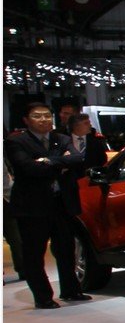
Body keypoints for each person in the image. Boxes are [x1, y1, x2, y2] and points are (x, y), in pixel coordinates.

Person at [3, 103, 91, 309]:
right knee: (34, 253)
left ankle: (71, 290)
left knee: (66, 249)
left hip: (61, 203)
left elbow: (78, 159)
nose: (43, 120)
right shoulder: (16, 141)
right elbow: (27, 168)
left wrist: (47, 162)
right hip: (31, 206)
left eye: (46, 115)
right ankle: (43, 297)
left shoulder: (61, 138)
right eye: (37, 116)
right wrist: (60, 163)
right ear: (26, 120)